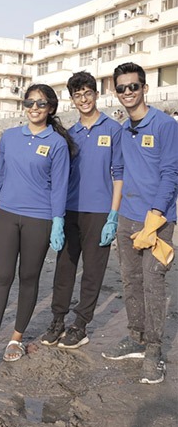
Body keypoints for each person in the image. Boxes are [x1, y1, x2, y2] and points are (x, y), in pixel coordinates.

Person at [0, 84, 76, 379]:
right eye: (29, 102)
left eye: (41, 103)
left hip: (40, 219)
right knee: (1, 279)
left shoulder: (56, 144)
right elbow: (0, 174)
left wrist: (58, 220)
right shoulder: (10, 137)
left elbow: (59, 186)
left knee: (28, 279)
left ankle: (16, 337)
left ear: (51, 108)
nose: (34, 107)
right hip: (6, 216)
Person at [101, 62, 178, 385]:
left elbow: (171, 171)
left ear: (144, 88)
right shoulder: (120, 130)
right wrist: (115, 213)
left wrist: (157, 212)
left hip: (157, 221)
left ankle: (154, 351)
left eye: (133, 86)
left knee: (153, 282)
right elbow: (117, 171)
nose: (128, 92)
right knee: (131, 282)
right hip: (128, 218)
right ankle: (135, 336)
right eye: (122, 88)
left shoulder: (164, 125)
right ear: (116, 92)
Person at [41, 71, 123, 349]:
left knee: (93, 270)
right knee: (64, 268)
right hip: (69, 210)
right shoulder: (68, 134)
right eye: (78, 95)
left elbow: (120, 174)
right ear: (72, 100)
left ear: (97, 94)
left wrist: (113, 215)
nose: (84, 99)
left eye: (88, 93)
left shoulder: (113, 129)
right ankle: (57, 320)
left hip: (100, 212)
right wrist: (56, 216)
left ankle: (81, 324)